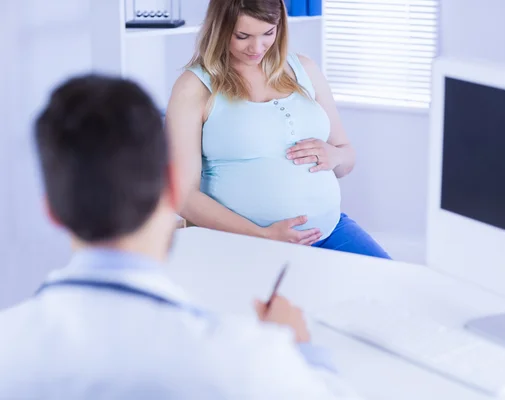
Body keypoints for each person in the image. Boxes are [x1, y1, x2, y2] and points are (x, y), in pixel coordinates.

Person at [0, 75, 363, 399]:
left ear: (51, 210)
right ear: (174, 186)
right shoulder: (246, 358)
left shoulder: (9, 346)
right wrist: (298, 348)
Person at [167, 0, 391, 259]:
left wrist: (335, 156)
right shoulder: (194, 87)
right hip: (244, 243)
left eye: (268, 33)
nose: (257, 47)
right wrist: (261, 234)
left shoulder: (304, 69)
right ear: (219, 28)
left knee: (395, 288)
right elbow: (182, 196)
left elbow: (346, 157)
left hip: (329, 231)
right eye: (243, 36)